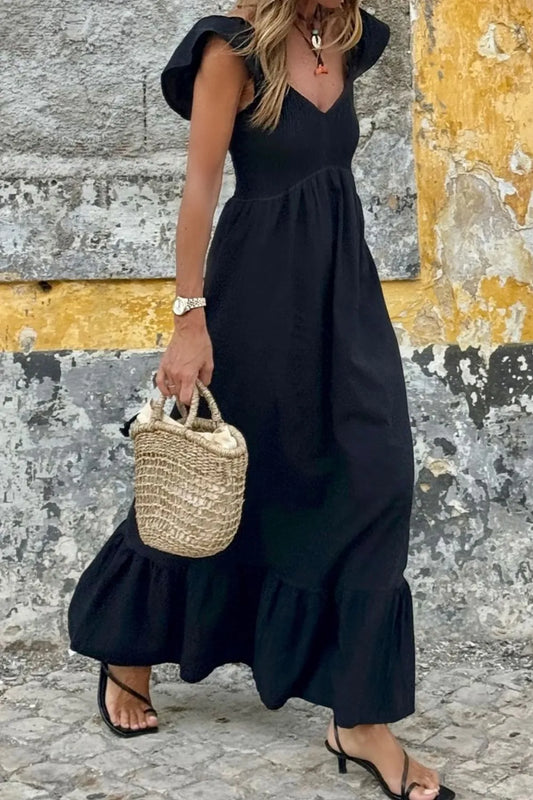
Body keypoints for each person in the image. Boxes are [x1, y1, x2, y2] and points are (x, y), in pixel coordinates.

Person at [68, 2, 455, 799]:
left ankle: (358, 717)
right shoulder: (231, 49)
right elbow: (200, 186)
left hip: (341, 295)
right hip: (253, 295)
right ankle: (127, 648)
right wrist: (188, 320)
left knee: (377, 473)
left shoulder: (349, 36)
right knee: (209, 478)